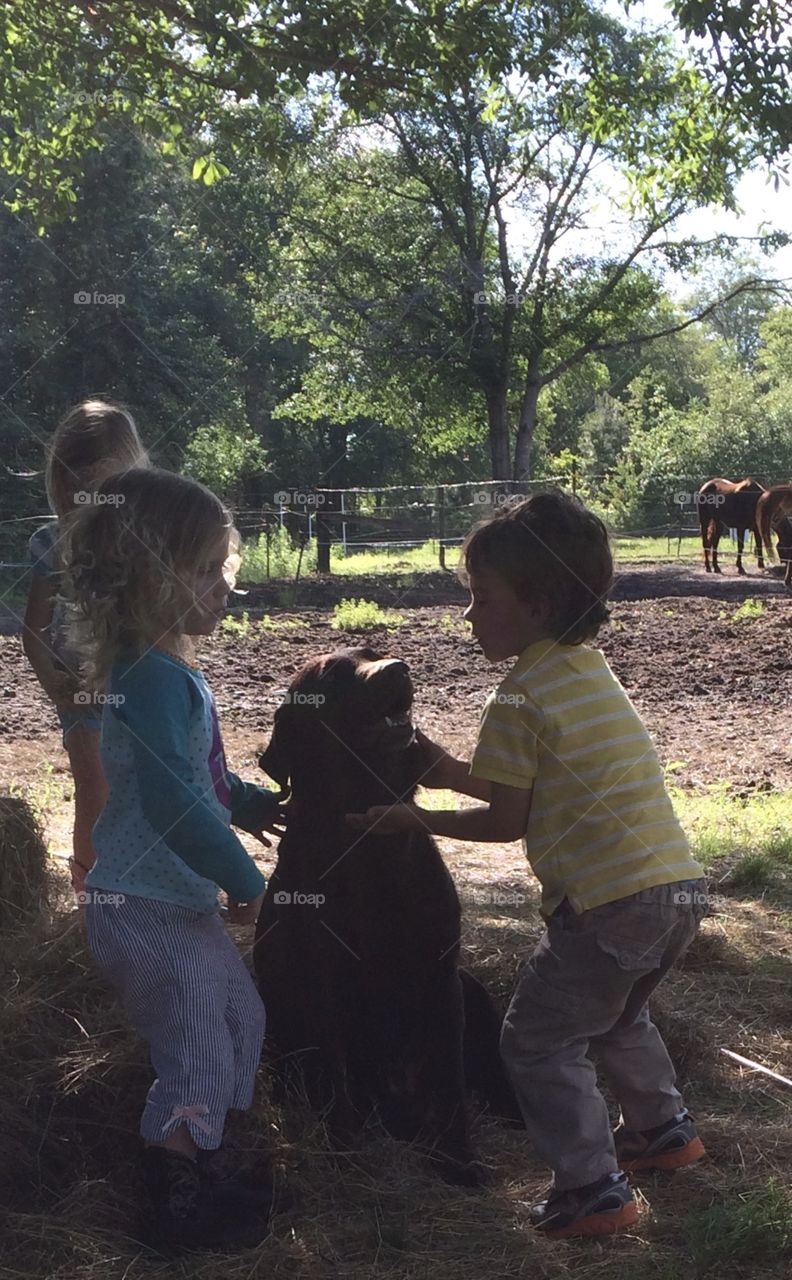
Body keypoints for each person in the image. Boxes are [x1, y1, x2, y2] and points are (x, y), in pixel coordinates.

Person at [348, 491, 707, 1240]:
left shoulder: (516, 697)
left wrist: (415, 818)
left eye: (482, 598)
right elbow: (532, 783)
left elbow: (505, 821)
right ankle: (662, 1131)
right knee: (618, 1014)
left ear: (537, 605)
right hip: (674, 889)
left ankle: (591, 1189)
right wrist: (446, 769)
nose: (468, 615)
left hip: (605, 905)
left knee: (539, 1040)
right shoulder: (585, 670)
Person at [65, 466, 288, 1253]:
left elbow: (203, 780)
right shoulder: (150, 680)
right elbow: (174, 806)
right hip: (141, 904)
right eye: (203, 569)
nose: (224, 585)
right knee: (196, 1039)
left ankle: (207, 1155)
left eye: (223, 566)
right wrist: (245, 879)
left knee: (239, 1018)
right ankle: (175, 1205)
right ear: (150, 577)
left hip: (174, 903)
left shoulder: (170, 673)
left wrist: (253, 805)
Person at [23, 399, 148, 898]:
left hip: (140, 683)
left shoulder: (143, 538)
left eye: (97, 485)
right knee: (94, 789)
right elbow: (33, 628)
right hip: (81, 693)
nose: (83, 497)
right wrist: (57, 686)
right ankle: (91, 898)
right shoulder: (50, 543)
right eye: (72, 485)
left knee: (144, 783)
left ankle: (142, 888)